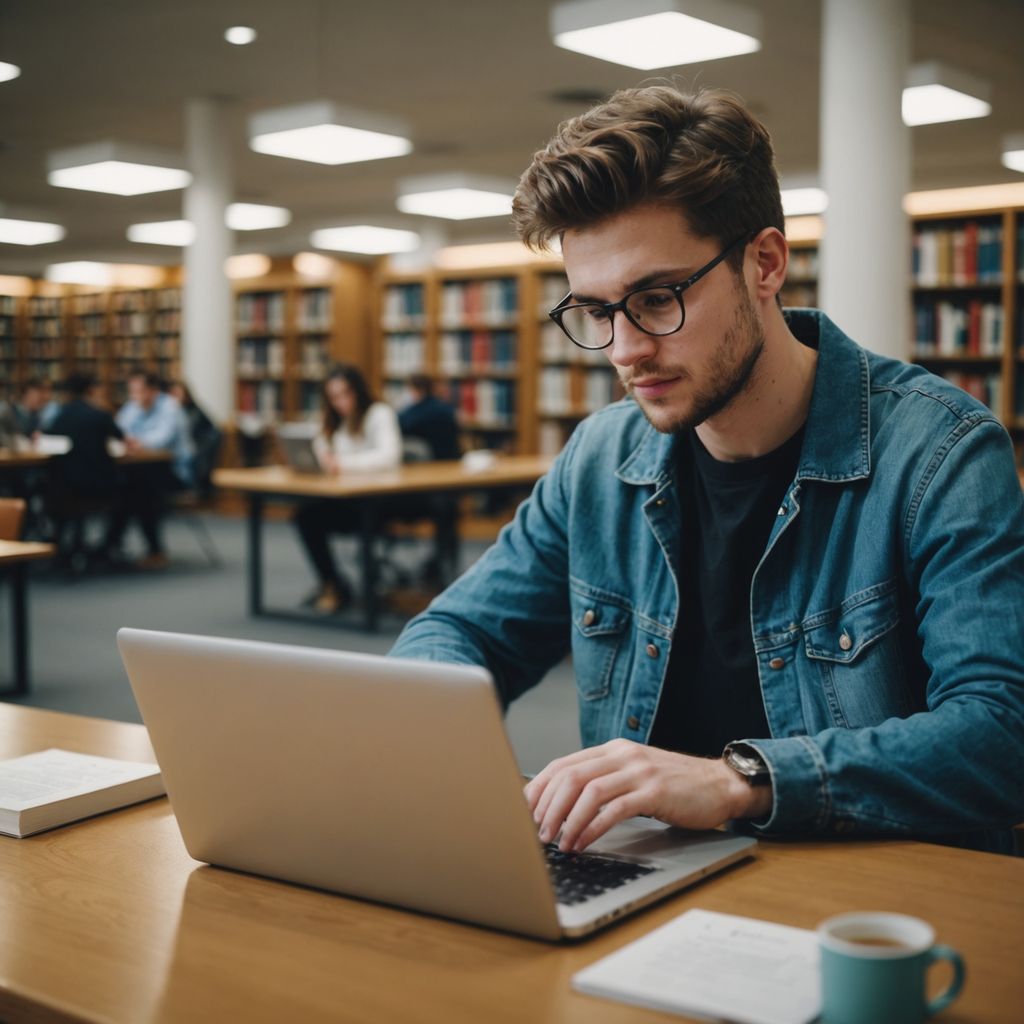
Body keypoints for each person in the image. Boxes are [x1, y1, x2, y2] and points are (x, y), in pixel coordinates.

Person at [391, 86, 1024, 856]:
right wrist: (449, 759)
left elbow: (1002, 732)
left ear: (764, 263)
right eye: (595, 312)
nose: (624, 350)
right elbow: (456, 633)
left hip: (866, 903)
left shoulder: (939, 453)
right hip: (649, 885)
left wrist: (738, 782)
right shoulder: (598, 461)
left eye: (656, 299)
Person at [294, 364, 402, 613]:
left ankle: (368, 591)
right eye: (334, 397)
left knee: (357, 519)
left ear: (358, 391)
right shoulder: (334, 423)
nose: (341, 402)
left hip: (380, 501)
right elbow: (323, 452)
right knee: (306, 517)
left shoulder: (378, 414)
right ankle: (332, 583)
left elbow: (389, 457)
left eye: (345, 394)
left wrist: (343, 464)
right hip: (346, 500)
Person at [107, 371, 194, 569]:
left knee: (137, 489)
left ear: (154, 391)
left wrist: (136, 443)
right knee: (131, 487)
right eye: (131, 391)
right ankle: (114, 544)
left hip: (174, 472)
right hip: (142, 469)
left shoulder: (170, 407)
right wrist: (129, 442)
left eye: (139, 391)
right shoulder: (132, 407)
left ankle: (134, 547)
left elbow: (162, 440)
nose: (134, 396)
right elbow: (119, 432)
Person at [46, 373, 123, 565]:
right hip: (98, 486)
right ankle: (108, 547)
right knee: (133, 495)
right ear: (91, 390)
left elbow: (48, 440)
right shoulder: (99, 415)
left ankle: (59, 545)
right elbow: (121, 438)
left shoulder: (59, 416)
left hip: (62, 487)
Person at [168, 380, 221, 499]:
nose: (174, 398)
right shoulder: (173, 411)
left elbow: (186, 433)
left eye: (178, 394)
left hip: (196, 448)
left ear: (186, 395)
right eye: (172, 394)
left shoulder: (193, 411)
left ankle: (185, 488)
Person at [398, 374, 461, 461]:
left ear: (418, 390)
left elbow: (401, 426)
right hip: (451, 460)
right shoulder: (445, 408)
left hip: (427, 463)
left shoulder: (415, 413)